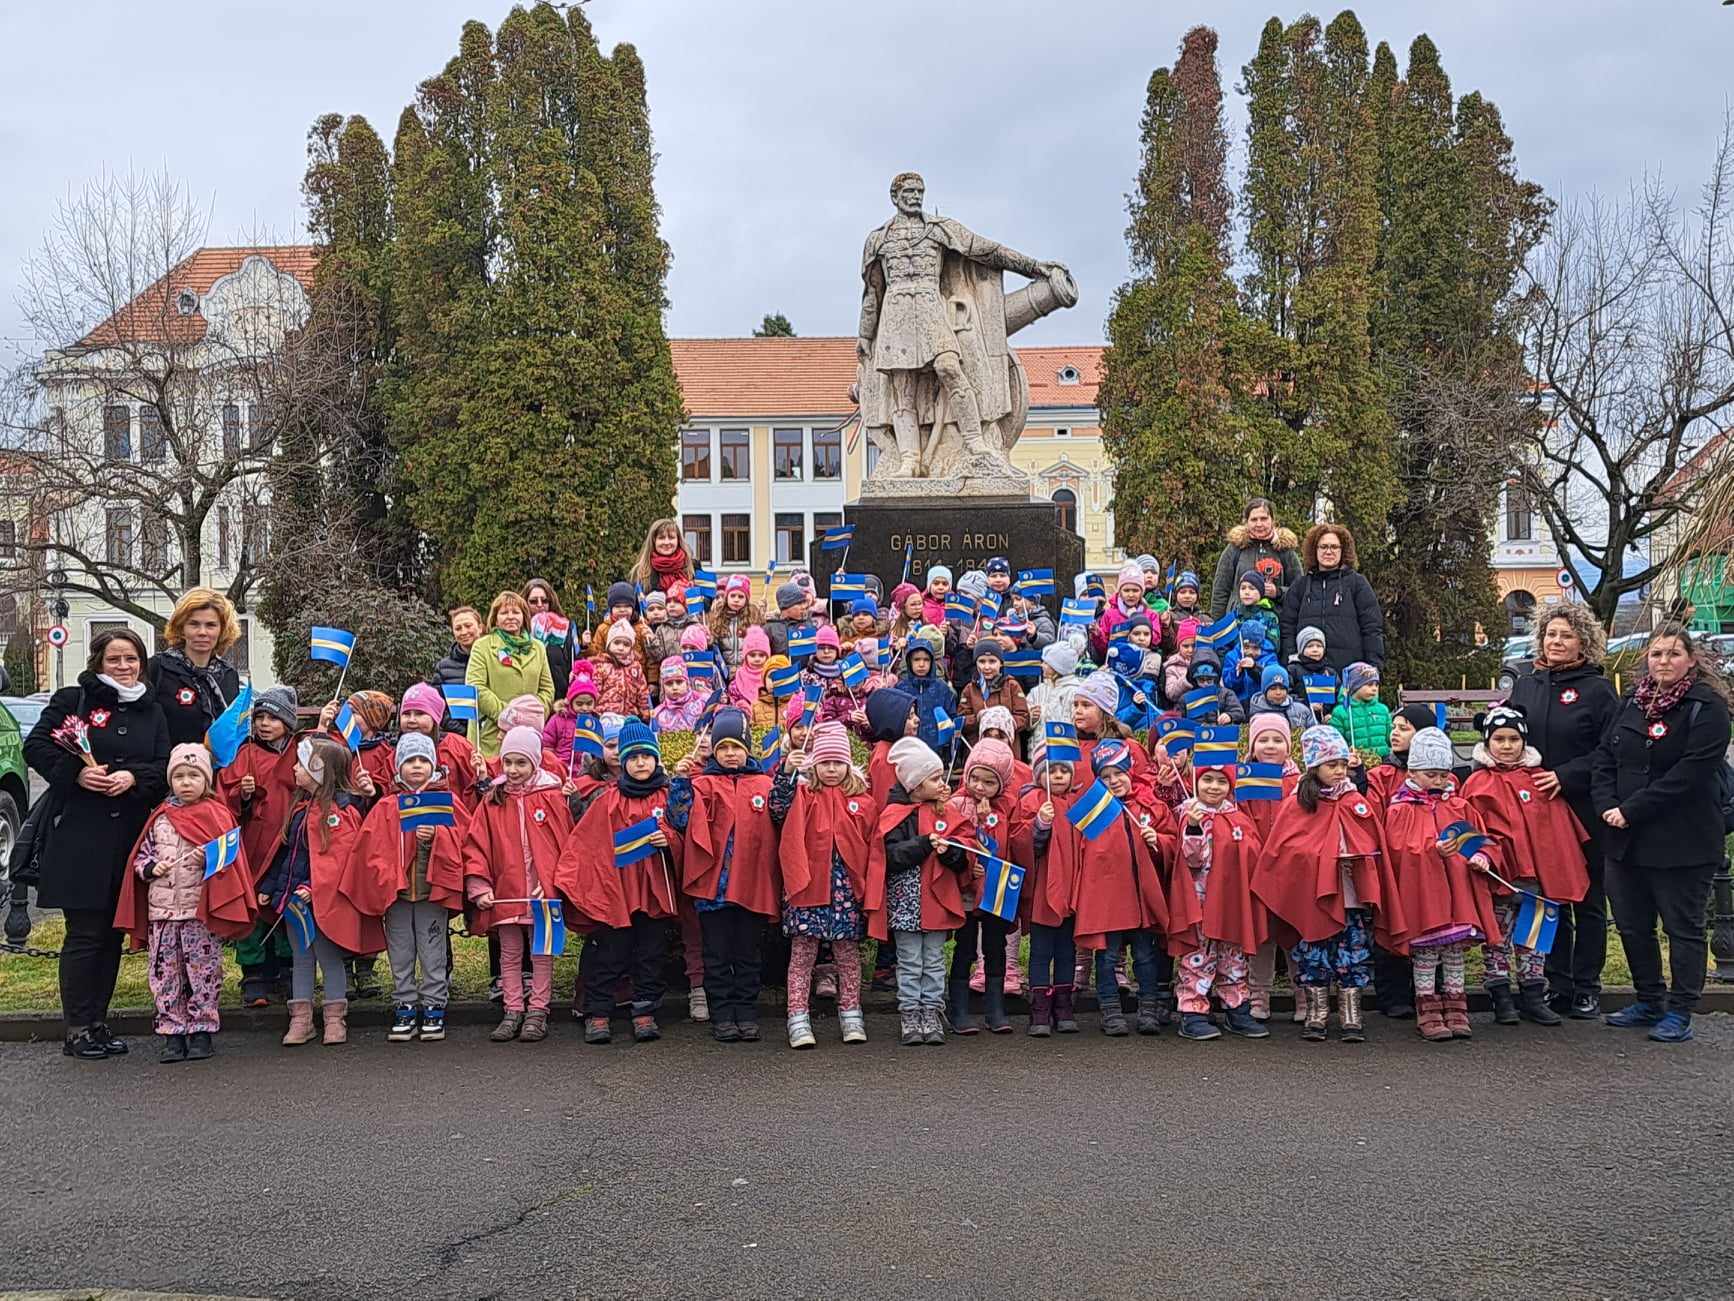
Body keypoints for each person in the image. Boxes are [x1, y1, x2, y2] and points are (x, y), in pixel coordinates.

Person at [24, 628, 171, 1060]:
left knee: (111, 934)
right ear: (98, 662)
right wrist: (77, 773)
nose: (124, 667)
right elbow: (37, 746)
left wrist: (133, 778)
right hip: (80, 836)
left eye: (131, 659)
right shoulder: (75, 701)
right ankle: (78, 1028)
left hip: (128, 835)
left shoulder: (152, 710)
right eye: (114, 659)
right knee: (85, 934)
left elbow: (162, 765)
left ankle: (99, 1022)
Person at [1591, 624, 1732, 1043]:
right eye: (1656, 654)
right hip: (1625, 840)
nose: (1663, 662)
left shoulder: (1707, 707)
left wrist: (1631, 810)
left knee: (1682, 927)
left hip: (1682, 839)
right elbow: (1604, 758)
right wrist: (1605, 805)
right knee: (1633, 926)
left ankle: (1681, 1009)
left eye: (1673, 654)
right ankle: (1648, 998)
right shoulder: (1631, 701)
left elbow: (1691, 773)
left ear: (1691, 660)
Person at [1252, 726, 1406, 1043]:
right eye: (1330, 764)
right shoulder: (1297, 805)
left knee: (1353, 953)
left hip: (1353, 899)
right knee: (1313, 954)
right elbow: (1285, 852)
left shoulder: (1355, 801)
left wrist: (1360, 860)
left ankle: (1351, 1015)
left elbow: (1373, 843)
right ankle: (1316, 1013)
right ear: (1314, 767)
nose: (1338, 770)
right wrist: (1320, 860)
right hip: (1312, 900)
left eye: (1341, 763)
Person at [1506, 600, 1621, 1017]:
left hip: (1584, 805)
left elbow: (1611, 750)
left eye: (1566, 635)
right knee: (1548, 898)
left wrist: (1567, 775)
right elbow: (1509, 735)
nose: (1556, 641)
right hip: (1538, 808)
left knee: (1588, 899)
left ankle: (1587, 983)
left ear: (1582, 643)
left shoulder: (1597, 690)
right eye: (1551, 634)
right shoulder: (1527, 683)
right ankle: (1554, 981)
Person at [114, 744, 257, 1062]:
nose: (186, 782)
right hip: (163, 913)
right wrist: (150, 868)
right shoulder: (160, 817)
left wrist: (210, 860)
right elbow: (141, 856)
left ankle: (202, 1029)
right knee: (166, 974)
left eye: (193, 775)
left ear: (206, 780)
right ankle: (172, 1030)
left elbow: (228, 862)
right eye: (179, 776)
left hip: (198, 913)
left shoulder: (216, 815)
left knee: (203, 972)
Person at [1462, 704, 1590, 1028]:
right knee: (1497, 940)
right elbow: (1468, 827)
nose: (1507, 746)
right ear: (1488, 742)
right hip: (1498, 877)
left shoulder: (1540, 780)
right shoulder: (1477, 783)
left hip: (1537, 881)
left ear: (1524, 741)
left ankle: (1534, 996)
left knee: (1534, 942)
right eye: (1499, 739)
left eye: (1514, 739)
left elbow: (1556, 830)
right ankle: (1501, 997)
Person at [256, 734, 382, 1048]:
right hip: (294, 904)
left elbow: (341, 859)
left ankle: (334, 1018)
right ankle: (301, 1019)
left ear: (319, 770)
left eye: (301, 764)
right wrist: (269, 887)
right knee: (301, 958)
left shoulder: (342, 811)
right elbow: (285, 853)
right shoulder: (299, 809)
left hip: (323, 902)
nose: (295, 769)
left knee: (329, 958)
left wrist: (314, 887)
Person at [560, 720, 679, 1045]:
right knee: (609, 955)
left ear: (655, 757)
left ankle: (645, 1011)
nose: (641, 762)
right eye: (633, 757)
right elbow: (587, 844)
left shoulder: (669, 797)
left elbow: (685, 836)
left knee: (650, 955)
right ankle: (598, 1012)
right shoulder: (607, 800)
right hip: (617, 895)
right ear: (623, 761)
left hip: (654, 895)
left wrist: (668, 839)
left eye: (646, 755)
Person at [344, 733, 468, 1044]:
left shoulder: (445, 802)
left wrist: (436, 837)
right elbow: (369, 848)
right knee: (400, 955)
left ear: (433, 766)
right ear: (399, 766)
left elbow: (466, 839)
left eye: (422, 761)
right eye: (410, 760)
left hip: (431, 894)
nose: (416, 767)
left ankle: (434, 1007)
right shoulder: (387, 805)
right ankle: (404, 1006)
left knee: (433, 954)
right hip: (397, 897)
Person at [668, 708, 780, 1043]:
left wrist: (788, 776)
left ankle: (746, 1012)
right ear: (713, 750)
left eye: (736, 747)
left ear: (747, 748)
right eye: (723, 747)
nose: (730, 754)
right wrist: (679, 784)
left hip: (751, 885)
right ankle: (722, 1014)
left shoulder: (764, 783)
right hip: (713, 889)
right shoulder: (702, 784)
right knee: (716, 955)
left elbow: (780, 817)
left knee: (747, 954)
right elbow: (681, 821)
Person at [1383, 728, 1500, 1043]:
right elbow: (1397, 850)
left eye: (1443, 774)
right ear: (1413, 772)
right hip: (1424, 894)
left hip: (1457, 893)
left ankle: (1456, 1004)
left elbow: (1480, 841)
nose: (1438, 781)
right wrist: (1431, 849)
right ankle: (1427, 1007)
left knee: (1453, 952)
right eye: (1431, 774)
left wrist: (1482, 857)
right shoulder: (1400, 809)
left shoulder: (1458, 807)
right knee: (1426, 952)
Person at [464, 726, 574, 1045]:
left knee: (541, 953)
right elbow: (477, 845)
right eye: (508, 762)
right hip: (506, 893)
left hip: (542, 896)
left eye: (521, 763)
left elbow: (566, 845)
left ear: (535, 763)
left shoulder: (551, 796)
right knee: (509, 954)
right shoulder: (493, 800)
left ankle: (538, 1010)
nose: (512, 770)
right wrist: (479, 885)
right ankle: (512, 1009)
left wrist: (552, 883)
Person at [771, 721, 875, 1048]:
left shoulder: (862, 800)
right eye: (825, 762)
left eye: (837, 763)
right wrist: (787, 770)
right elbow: (777, 806)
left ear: (848, 764)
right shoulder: (803, 792)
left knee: (847, 954)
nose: (831, 769)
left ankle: (851, 1013)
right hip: (807, 888)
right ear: (814, 763)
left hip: (846, 891)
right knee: (803, 954)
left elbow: (871, 845)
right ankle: (797, 1017)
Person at [866, 736, 974, 1047]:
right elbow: (890, 857)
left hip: (936, 902)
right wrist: (924, 844)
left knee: (934, 961)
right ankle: (910, 1014)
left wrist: (948, 853)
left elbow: (961, 857)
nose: (942, 783)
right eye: (935, 778)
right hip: (906, 905)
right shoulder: (896, 814)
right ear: (915, 784)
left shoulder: (945, 814)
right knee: (911, 962)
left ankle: (932, 1012)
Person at [1167, 763, 1269, 1041]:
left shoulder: (1237, 817)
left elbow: (1252, 852)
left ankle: (1236, 1008)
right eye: (1207, 780)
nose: (1213, 787)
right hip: (1199, 902)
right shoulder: (1187, 814)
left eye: (1221, 782)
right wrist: (1194, 827)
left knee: (1234, 956)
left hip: (1232, 901)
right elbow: (1191, 860)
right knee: (1198, 957)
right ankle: (1193, 1011)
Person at [219, 685, 302, 1006]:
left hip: (290, 842)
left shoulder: (300, 750)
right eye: (260, 717)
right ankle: (254, 973)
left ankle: (287, 968)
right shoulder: (246, 753)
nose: (265, 724)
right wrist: (244, 792)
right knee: (253, 904)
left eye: (273, 718)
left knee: (284, 903)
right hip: (254, 842)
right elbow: (226, 799)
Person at [945, 738, 1020, 1035]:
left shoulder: (1007, 808)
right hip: (966, 889)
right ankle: (959, 1009)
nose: (979, 786)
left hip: (995, 890)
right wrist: (966, 864)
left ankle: (995, 1008)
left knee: (995, 947)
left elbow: (1009, 844)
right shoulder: (955, 803)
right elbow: (953, 840)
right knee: (964, 948)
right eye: (974, 778)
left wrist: (989, 821)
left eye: (989, 782)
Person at [1012, 739, 1079, 1035]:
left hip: (1071, 889)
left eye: (1064, 771)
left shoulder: (1079, 802)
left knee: (1067, 952)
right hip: (1042, 889)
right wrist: (1040, 824)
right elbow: (1021, 842)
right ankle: (1039, 1008)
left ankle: (1063, 1005)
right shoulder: (1031, 801)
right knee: (1040, 952)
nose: (1059, 776)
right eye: (1052, 771)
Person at [1278, 523, 1384, 672]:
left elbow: (1372, 628)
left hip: (1349, 672)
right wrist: (1290, 663)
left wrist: (1374, 666)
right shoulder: (1300, 586)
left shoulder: (1357, 584)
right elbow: (1287, 628)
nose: (1329, 551)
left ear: (1343, 550)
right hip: (1306, 676)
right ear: (1315, 550)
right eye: (1323, 547)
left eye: (1334, 547)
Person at [148, 587, 243, 746]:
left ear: (222, 630)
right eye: (194, 624)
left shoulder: (228, 675)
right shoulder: (157, 668)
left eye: (211, 625)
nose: (202, 632)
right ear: (181, 628)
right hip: (172, 767)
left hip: (217, 767)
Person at [465, 590, 555, 757]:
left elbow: (547, 689)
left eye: (516, 612)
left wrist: (530, 717)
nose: (510, 616)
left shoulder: (538, 647)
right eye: (504, 612)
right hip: (491, 734)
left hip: (528, 735)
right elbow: (475, 686)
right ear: (495, 619)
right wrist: (509, 716)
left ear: (524, 617)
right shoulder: (482, 646)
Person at [1209, 498, 1303, 618]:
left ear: (1273, 521)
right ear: (1246, 521)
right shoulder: (1235, 549)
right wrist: (1218, 626)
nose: (1259, 524)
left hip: (1274, 626)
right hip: (1237, 622)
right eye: (1254, 519)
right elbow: (1221, 590)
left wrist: (1278, 592)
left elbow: (1300, 590)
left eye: (1264, 519)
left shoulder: (1284, 551)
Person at [432, 606, 485, 735]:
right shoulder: (444, 667)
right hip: (458, 737)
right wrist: (464, 732)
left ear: (480, 628)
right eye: (458, 628)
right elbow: (438, 706)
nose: (464, 631)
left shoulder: (495, 659)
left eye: (468, 626)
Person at [522, 579, 574, 700]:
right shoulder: (519, 631)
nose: (540, 605)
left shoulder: (563, 628)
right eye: (533, 601)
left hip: (560, 697)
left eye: (544, 601)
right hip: (530, 699)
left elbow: (572, 661)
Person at [1330, 662, 1392, 763]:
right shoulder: (1341, 712)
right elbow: (1336, 742)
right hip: (1355, 762)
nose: (1374, 688)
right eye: (1369, 684)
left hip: (1383, 761)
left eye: (1376, 685)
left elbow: (1390, 737)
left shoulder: (1382, 709)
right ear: (1354, 686)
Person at [707, 575, 763, 675]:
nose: (736, 600)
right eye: (732, 596)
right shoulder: (718, 618)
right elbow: (714, 646)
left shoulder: (753, 617)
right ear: (726, 597)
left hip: (747, 670)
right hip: (725, 672)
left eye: (740, 596)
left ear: (747, 599)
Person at [630, 516, 694, 598]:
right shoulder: (640, 572)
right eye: (661, 538)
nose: (667, 542)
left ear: (678, 540)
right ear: (653, 541)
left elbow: (707, 600)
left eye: (671, 537)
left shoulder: (692, 567)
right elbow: (632, 604)